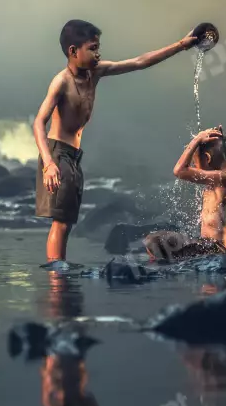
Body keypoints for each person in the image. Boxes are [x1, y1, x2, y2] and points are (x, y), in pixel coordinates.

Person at [33, 19, 200, 262]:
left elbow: (140, 62)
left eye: (98, 47)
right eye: (92, 48)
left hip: (73, 156)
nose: (98, 54)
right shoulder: (61, 82)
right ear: (73, 51)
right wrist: (48, 163)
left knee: (67, 222)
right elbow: (38, 122)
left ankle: (60, 274)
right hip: (57, 154)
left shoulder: (96, 72)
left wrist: (181, 45)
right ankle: (56, 279)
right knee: (61, 222)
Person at [144, 126, 226, 261]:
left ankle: (161, 268)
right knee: (158, 239)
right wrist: (219, 143)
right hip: (207, 245)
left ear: (207, 158)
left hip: (215, 249)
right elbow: (219, 156)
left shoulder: (225, 178)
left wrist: (196, 140)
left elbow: (179, 171)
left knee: (152, 240)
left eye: (195, 163)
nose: (194, 168)